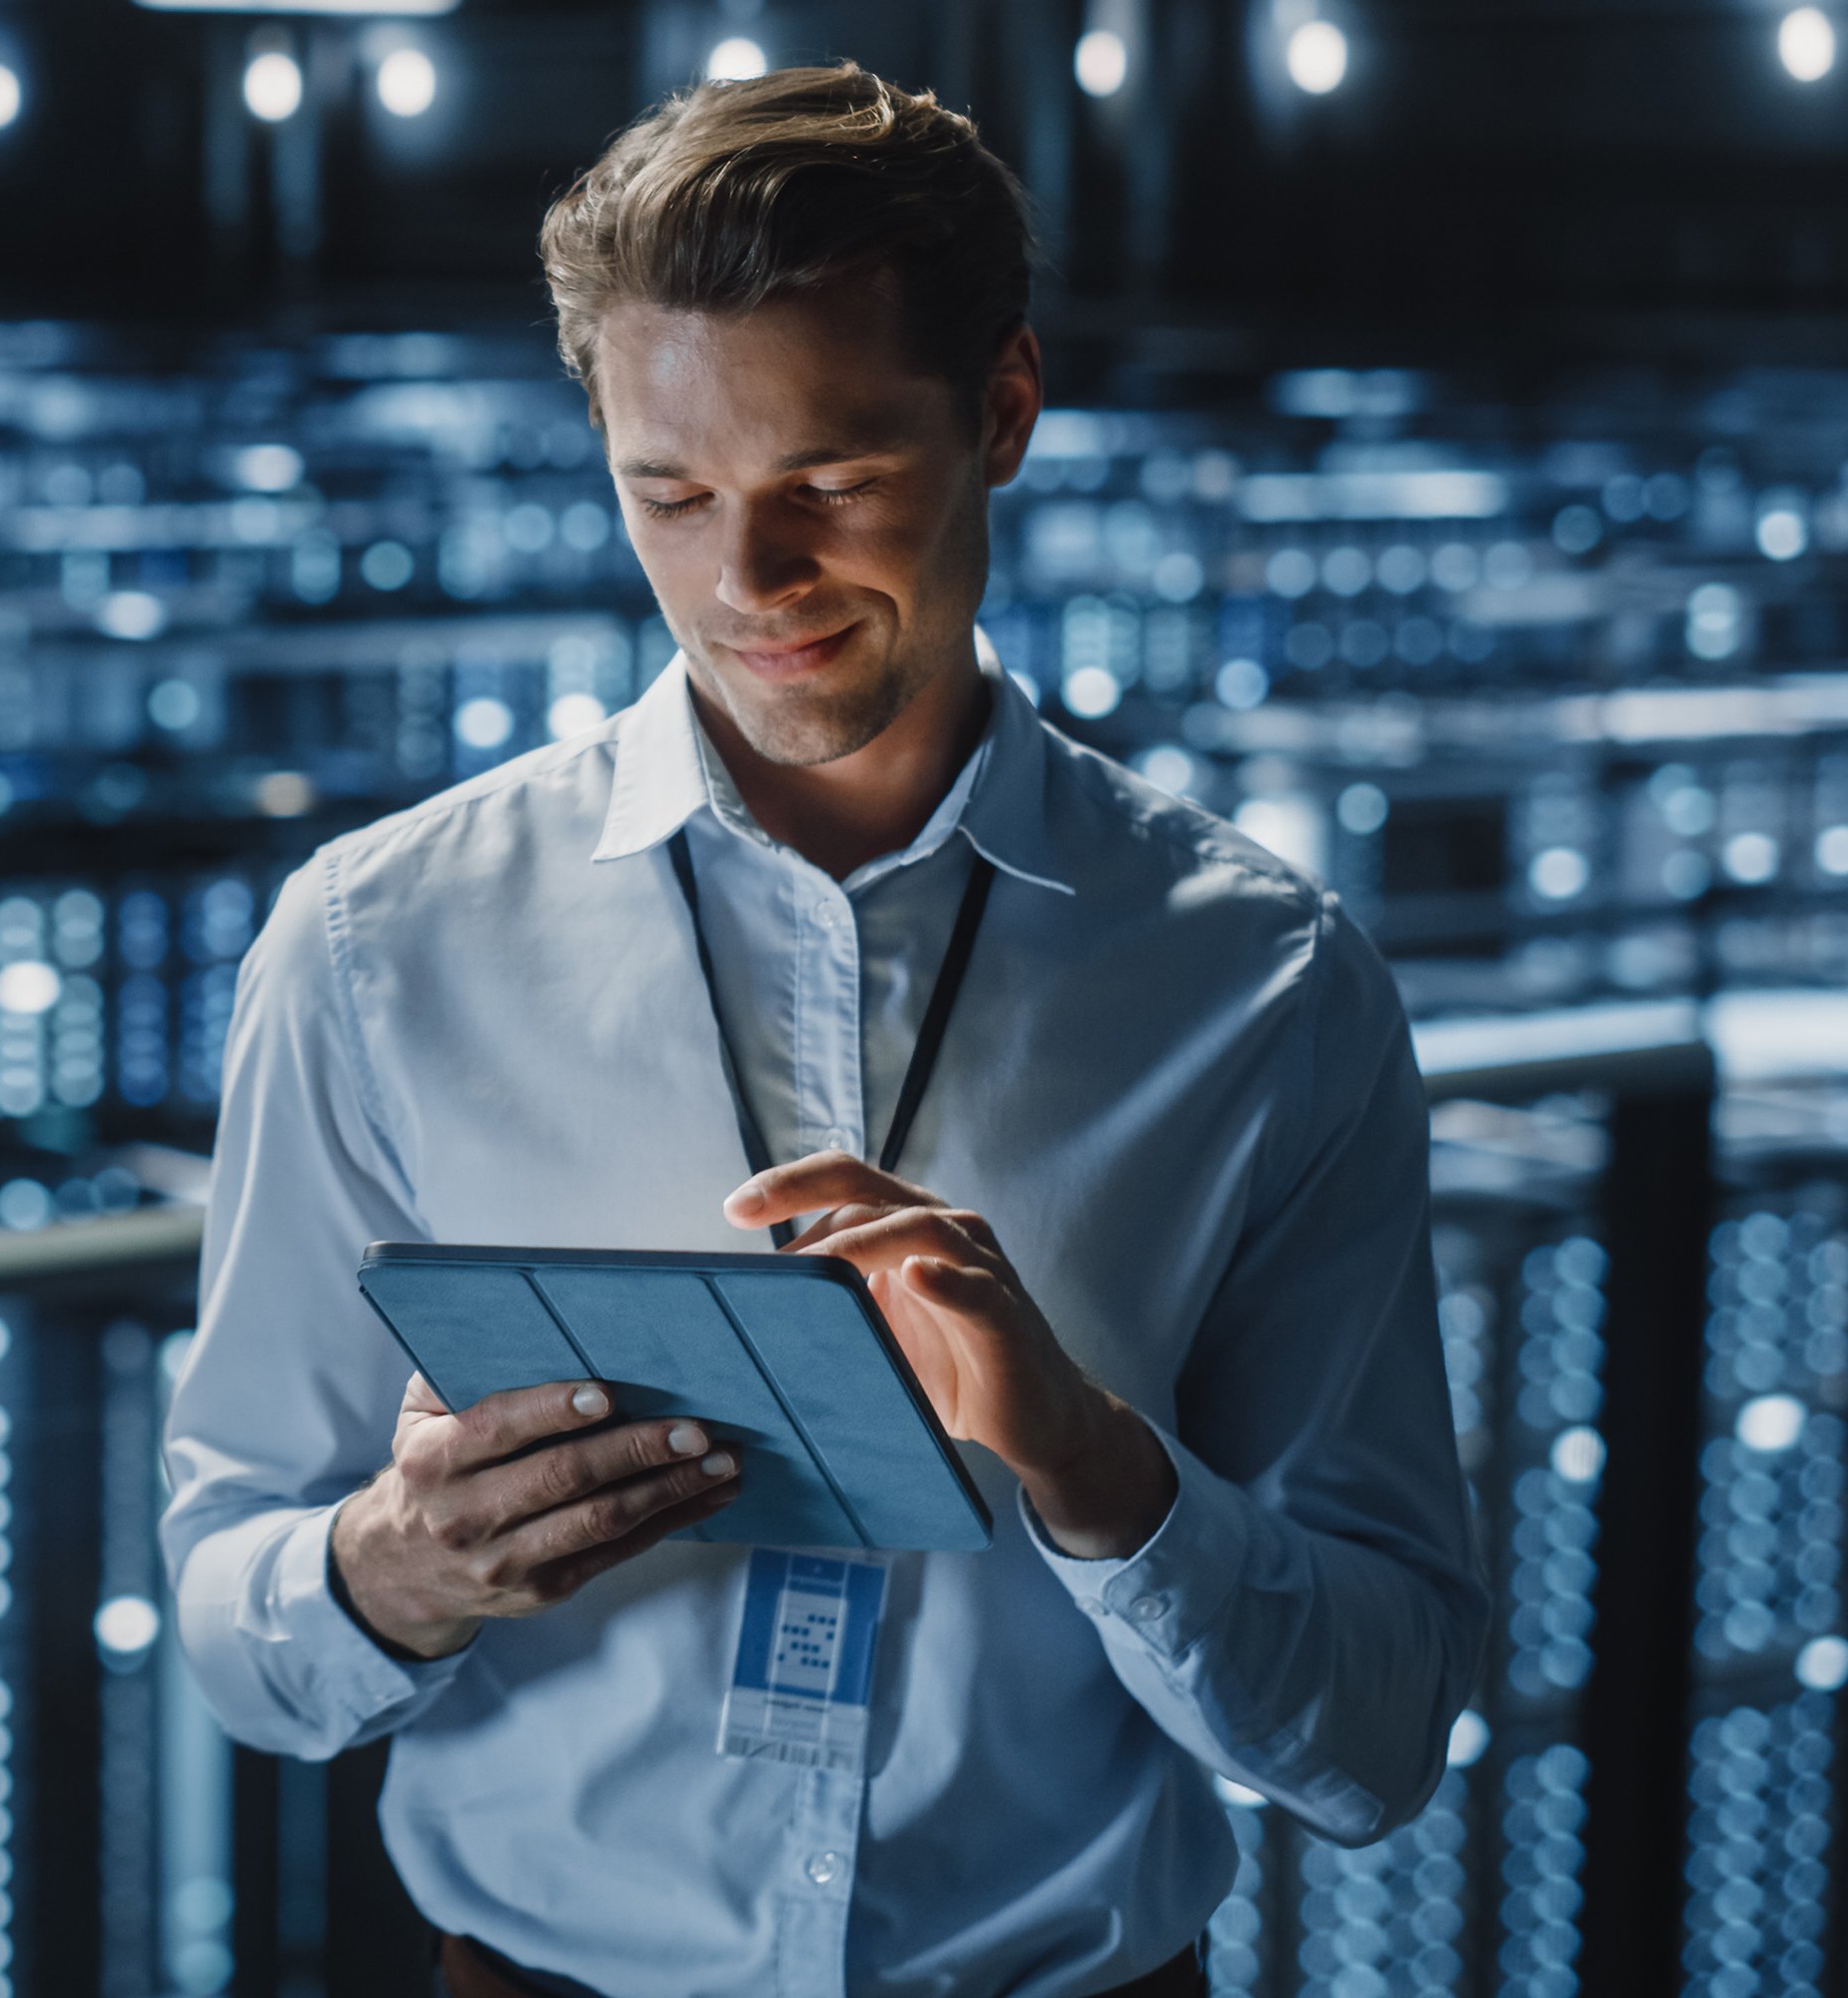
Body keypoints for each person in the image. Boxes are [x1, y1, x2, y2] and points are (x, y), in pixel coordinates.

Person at [157, 63, 1488, 1998]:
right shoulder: (381, 941)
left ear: (1001, 412)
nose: (741, 582)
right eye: (667, 494)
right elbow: (223, 1613)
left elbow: (1372, 1735)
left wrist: (1098, 1476)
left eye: (828, 485)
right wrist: (384, 1573)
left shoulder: (1258, 984)